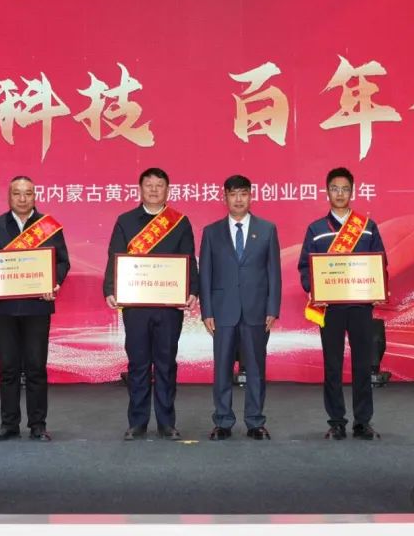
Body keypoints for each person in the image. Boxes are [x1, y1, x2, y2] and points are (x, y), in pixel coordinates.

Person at [0, 175, 70, 442]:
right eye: (17, 193)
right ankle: (9, 424)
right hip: (5, 308)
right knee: (8, 368)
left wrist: (54, 282)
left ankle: (38, 424)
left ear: (35, 196)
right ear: (9, 196)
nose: (23, 199)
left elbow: (62, 262)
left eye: (28, 193)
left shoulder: (48, 226)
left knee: (36, 367)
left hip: (38, 307)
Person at [103, 167, 198, 441]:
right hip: (136, 307)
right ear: (140, 189)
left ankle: (167, 423)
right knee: (138, 364)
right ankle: (137, 422)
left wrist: (192, 290)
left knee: (166, 364)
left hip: (169, 307)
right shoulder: (126, 221)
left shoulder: (179, 222)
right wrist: (110, 288)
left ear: (168, 190)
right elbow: (115, 256)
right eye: (149, 185)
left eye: (159, 185)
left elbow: (189, 258)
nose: (154, 190)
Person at [297, 167, 387, 441]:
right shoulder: (316, 229)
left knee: (363, 364)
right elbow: (305, 267)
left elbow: (380, 262)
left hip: (360, 306)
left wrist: (377, 287)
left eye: (345, 189)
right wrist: (315, 289)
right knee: (332, 365)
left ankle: (362, 422)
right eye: (335, 189)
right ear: (327, 192)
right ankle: (336, 421)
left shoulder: (367, 227)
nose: (339, 193)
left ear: (352, 192)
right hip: (330, 308)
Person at [199, 175, 281, 441]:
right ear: (224, 197)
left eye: (243, 194)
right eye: (233, 194)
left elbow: (274, 272)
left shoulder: (267, 230)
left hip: (257, 310)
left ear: (251, 196)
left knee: (256, 368)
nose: (238, 199)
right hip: (223, 311)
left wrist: (273, 308)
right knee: (222, 368)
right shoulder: (211, 232)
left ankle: (255, 421)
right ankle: (223, 421)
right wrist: (207, 311)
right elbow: (205, 274)